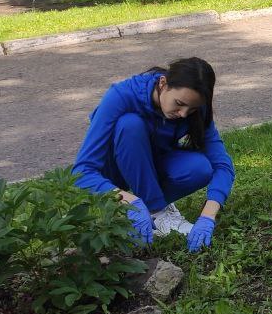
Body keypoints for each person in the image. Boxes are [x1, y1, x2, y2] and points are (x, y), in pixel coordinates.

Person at [71, 57, 233, 253]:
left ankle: (153, 210)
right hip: (114, 173)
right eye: (179, 104)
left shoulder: (195, 106)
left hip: (151, 165)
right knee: (130, 125)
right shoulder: (121, 96)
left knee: (199, 168)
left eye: (192, 109)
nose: (183, 114)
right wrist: (129, 201)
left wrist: (207, 217)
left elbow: (222, 165)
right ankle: (150, 208)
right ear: (163, 83)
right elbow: (82, 171)